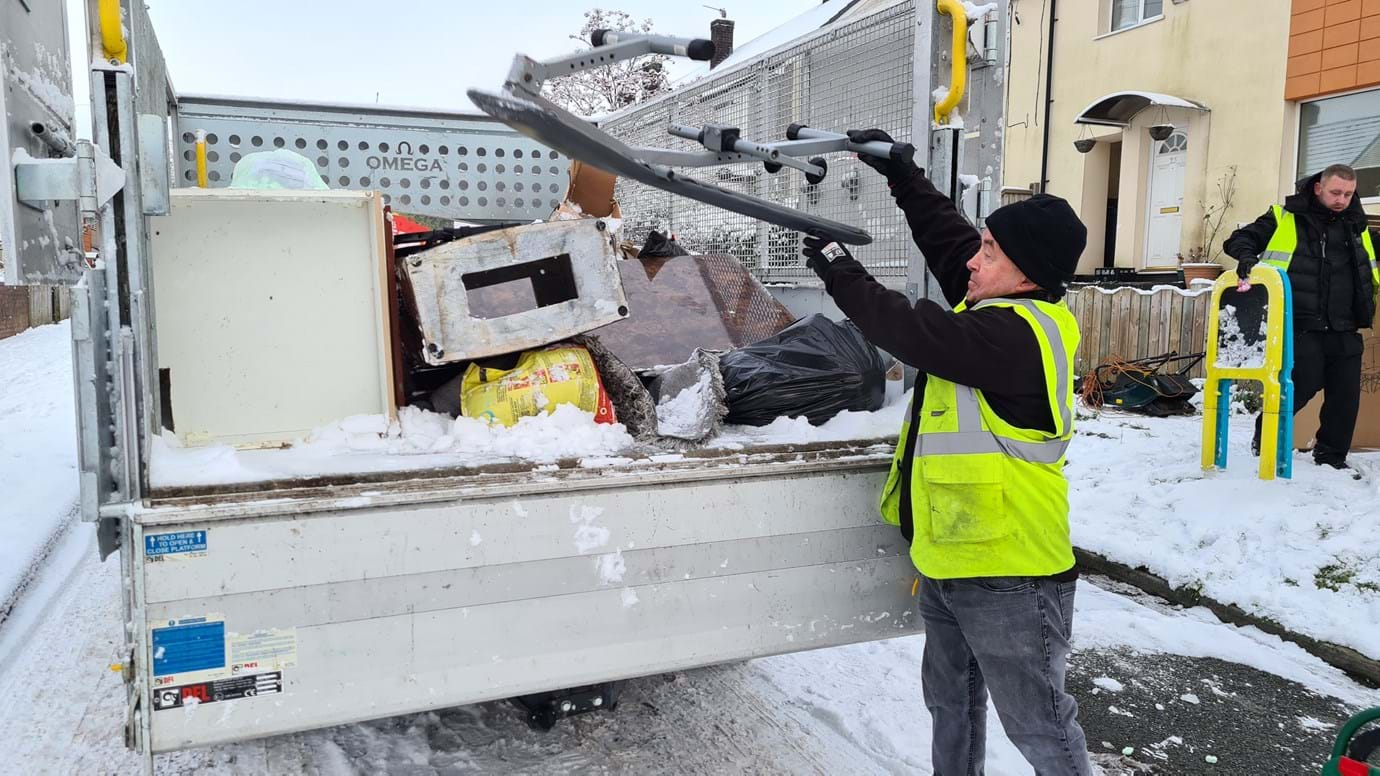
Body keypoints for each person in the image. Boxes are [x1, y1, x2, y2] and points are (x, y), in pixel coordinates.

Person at [801, 128, 1093, 775]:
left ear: (1025, 270)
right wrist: (903, 174)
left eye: (990, 250)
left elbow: (912, 329)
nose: (973, 259)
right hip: (955, 559)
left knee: (1040, 728)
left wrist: (837, 266)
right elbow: (949, 239)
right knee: (952, 704)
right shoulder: (1003, 296)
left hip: (1011, 573)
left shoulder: (1012, 335)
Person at [1225, 164, 1379, 469]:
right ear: (1318, 188)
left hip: (1345, 324)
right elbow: (1240, 238)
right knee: (1301, 386)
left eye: (1348, 194)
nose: (1341, 199)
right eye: (1335, 192)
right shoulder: (1285, 218)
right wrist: (1246, 256)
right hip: (1300, 323)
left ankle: (1331, 456)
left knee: (1345, 397)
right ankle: (1265, 431)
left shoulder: (1357, 226)